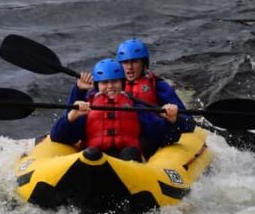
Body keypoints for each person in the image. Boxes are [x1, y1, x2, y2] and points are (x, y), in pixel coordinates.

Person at [50, 59, 180, 162]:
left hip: (128, 162)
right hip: (96, 161)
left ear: (122, 83)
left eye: (115, 82)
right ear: (97, 85)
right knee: (92, 154)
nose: (110, 86)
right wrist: (70, 118)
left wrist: (171, 121)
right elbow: (58, 137)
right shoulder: (87, 108)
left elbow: (161, 137)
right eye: (105, 83)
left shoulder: (135, 107)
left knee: (130, 152)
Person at [67, 39, 196, 135]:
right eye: (125, 62)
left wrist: (171, 117)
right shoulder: (106, 86)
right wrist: (79, 90)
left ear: (143, 64)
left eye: (134, 62)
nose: (129, 67)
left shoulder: (158, 85)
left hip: (150, 133)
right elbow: (70, 113)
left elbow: (187, 122)